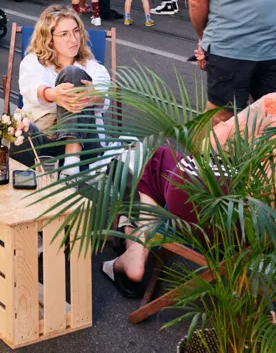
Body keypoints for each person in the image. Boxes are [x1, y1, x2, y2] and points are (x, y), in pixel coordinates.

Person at [103, 93, 276, 295]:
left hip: (210, 215)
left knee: (158, 160)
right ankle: (135, 246)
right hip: (255, 232)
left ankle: (136, 249)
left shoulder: (271, 104)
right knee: (171, 166)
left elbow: (211, 144)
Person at [12, 5, 111, 173]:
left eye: (76, 31)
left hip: (86, 144)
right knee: (22, 130)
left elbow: (105, 96)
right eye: (64, 34)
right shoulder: (33, 62)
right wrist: (53, 95)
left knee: (73, 74)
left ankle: (71, 166)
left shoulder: (93, 68)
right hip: (45, 140)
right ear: (49, 39)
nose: (73, 39)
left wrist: (91, 95)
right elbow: (32, 87)